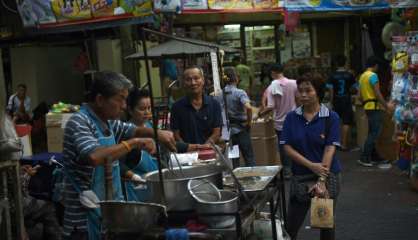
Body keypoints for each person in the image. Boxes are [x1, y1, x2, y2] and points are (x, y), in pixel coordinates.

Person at [61, 71, 176, 240]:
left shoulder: (106, 121)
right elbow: (94, 157)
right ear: (100, 100)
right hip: (83, 221)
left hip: (107, 214)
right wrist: (134, 143)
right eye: (120, 99)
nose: (124, 106)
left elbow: (133, 129)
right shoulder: (79, 122)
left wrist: (157, 134)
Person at [281, 73, 341, 240]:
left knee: (325, 224)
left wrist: (321, 179)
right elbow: (287, 147)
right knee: (291, 225)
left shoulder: (331, 117)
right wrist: (311, 165)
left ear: (318, 92)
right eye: (300, 91)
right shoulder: (292, 117)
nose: (303, 95)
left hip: (327, 177)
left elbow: (330, 148)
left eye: (308, 90)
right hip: (301, 176)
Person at [121, 88, 194, 201]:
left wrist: (195, 147)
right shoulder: (124, 133)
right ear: (130, 110)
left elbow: (168, 144)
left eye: (149, 108)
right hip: (137, 192)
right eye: (142, 109)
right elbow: (118, 164)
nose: (147, 112)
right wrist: (133, 176)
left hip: (156, 187)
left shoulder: (150, 125)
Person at [260, 64, 298, 178]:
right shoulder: (294, 83)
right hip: (294, 119)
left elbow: (270, 106)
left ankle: (287, 170)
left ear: (273, 73)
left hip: (280, 122)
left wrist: (260, 113)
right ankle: (297, 167)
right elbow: (299, 99)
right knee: (296, 143)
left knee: (283, 146)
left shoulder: (272, 86)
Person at [170, 66, 223, 147]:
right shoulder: (176, 107)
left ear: (203, 80)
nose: (193, 83)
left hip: (209, 153)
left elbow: (216, 132)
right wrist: (189, 148)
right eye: (188, 79)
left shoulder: (214, 104)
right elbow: (176, 135)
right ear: (183, 83)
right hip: (187, 156)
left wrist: (204, 147)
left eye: (196, 78)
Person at [357, 56, 393, 167]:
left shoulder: (362, 76)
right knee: (375, 133)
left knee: (372, 132)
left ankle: (374, 156)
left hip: (367, 106)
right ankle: (364, 158)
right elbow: (377, 94)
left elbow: (360, 95)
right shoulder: (373, 76)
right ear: (376, 65)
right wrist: (386, 105)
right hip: (374, 107)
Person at [220, 67, 255, 168]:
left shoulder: (218, 94)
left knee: (234, 159)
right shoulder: (240, 92)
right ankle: (252, 178)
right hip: (241, 130)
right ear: (236, 78)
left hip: (228, 132)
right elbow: (248, 108)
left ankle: (236, 181)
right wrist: (249, 122)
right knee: (248, 157)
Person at [327, 55, 356, 151]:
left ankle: (336, 142)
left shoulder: (332, 75)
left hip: (336, 99)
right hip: (346, 99)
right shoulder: (349, 75)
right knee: (346, 122)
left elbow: (331, 90)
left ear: (336, 63)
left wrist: (331, 102)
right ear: (345, 63)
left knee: (336, 121)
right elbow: (355, 87)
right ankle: (344, 144)